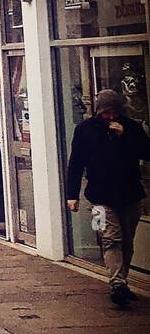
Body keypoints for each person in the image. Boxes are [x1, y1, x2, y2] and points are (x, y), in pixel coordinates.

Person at [66, 88, 150, 306]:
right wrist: (71, 194)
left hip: (130, 194)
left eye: (114, 112)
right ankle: (116, 284)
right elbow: (75, 163)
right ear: (98, 111)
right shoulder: (85, 129)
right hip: (99, 196)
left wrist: (125, 136)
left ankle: (121, 280)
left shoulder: (131, 127)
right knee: (109, 237)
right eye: (106, 113)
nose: (110, 117)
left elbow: (146, 152)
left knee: (127, 241)